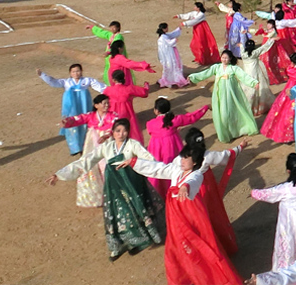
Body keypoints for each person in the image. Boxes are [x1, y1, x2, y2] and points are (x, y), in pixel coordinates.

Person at [119, 138, 243, 285]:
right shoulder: (176, 170)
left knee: (199, 243)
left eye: (186, 158)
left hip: (190, 214)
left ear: (195, 162)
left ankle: (207, 276)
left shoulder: (197, 174)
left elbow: (193, 182)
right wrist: (134, 162)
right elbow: (157, 168)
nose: (182, 161)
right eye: (182, 157)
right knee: (176, 246)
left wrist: (185, 187)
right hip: (174, 214)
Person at [47, 118, 162, 260]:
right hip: (114, 186)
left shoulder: (133, 145)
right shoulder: (106, 147)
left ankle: (141, 239)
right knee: (118, 212)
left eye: (125, 131)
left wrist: (134, 162)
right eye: (118, 131)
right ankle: (120, 245)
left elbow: (149, 159)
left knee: (134, 209)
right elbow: (85, 161)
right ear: (112, 132)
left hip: (132, 183)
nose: (121, 134)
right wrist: (59, 175)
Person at [187, 50, 260, 143]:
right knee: (223, 114)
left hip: (231, 94)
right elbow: (205, 73)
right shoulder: (216, 67)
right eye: (223, 57)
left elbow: (244, 76)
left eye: (226, 58)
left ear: (230, 59)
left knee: (233, 111)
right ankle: (227, 133)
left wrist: (254, 83)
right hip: (220, 95)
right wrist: (193, 77)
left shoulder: (234, 68)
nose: (224, 59)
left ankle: (238, 130)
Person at [145, 97, 209, 198]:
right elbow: (191, 117)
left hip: (156, 150)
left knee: (157, 170)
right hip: (172, 148)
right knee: (177, 168)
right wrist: (205, 108)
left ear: (156, 111)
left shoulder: (150, 124)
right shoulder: (175, 120)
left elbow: (150, 131)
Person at [38, 64, 107, 155]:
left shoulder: (87, 81)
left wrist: (110, 92)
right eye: (73, 72)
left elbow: (100, 86)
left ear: (81, 71)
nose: (76, 73)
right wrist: (42, 75)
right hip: (71, 108)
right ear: (70, 73)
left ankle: (84, 146)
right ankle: (75, 148)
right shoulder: (66, 82)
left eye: (78, 71)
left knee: (85, 124)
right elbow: (54, 82)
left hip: (84, 106)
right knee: (72, 123)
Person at [155, 23, 189, 88]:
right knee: (172, 66)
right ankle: (174, 79)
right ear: (164, 29)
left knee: (168, 67)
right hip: (169, 54)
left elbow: (171, 34)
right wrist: (174, 40)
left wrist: (178, 30)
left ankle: (168, 79)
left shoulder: (163, 36)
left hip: (166, 54)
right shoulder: (163, 37)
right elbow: (170, 43)